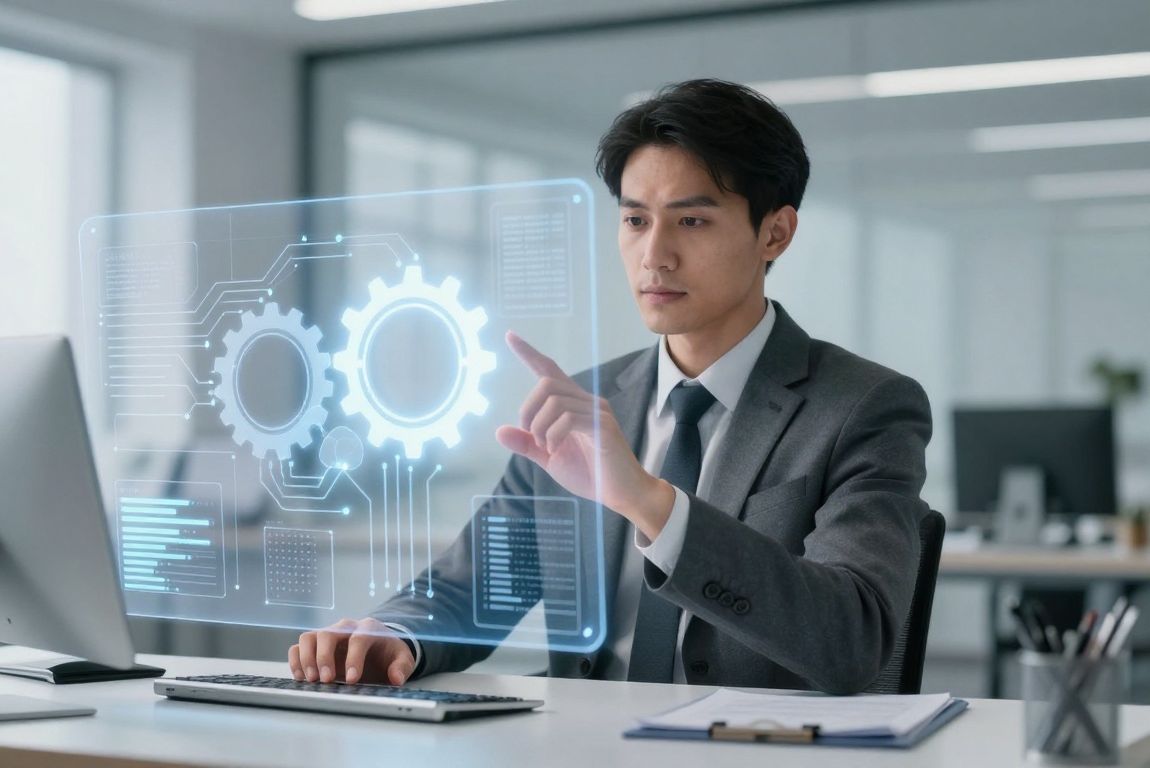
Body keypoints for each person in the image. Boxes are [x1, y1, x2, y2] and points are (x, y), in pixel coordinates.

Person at [288, 78, 931, 695]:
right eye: (634, 221)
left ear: (775, 232)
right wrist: (396, 637)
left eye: (692, 222)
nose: (655, 256)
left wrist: (652, 502)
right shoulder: (583, 405)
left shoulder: (863, 408)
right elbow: (471, 590)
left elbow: (854, 641)